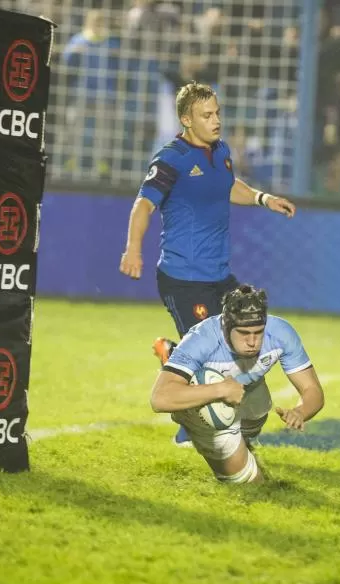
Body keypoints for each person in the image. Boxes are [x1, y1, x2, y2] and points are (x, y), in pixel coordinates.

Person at [119, 81, 296, 447]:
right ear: (186, 120)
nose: (216, 121)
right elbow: (144, 204)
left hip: (220, 278)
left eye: (217, 113)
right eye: (206, 115)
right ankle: (192, 422)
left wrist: (263, 198)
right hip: (183, 280)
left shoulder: (221, 152)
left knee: (246, 347)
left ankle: (173, 350)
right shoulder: (171, 159)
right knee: (213, 361)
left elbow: (227, 186)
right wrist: (133, 249)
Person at [149, 285, 324, 484]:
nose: (252, 342)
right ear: (226, 328)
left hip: (246, 389)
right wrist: (220, 389)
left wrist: (301, 412)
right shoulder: (202, 339)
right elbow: (159, 398)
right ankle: (174, 364)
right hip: (202, 404)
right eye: (243, 333)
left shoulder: (280, 333)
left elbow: (312, 389)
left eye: (258, 332)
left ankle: (241, 441)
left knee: (260, 406)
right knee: (249, 483)